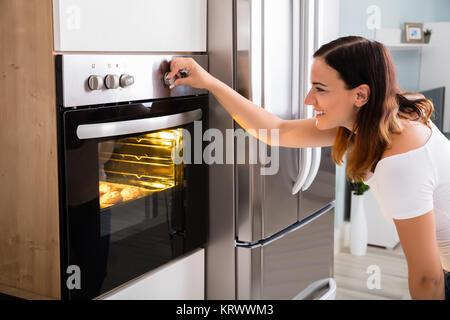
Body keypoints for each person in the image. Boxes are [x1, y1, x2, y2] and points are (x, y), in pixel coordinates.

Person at [165, 36, 450, 300]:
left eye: (320, 90)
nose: (308, 100)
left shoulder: (399, 159)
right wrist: (209, 82)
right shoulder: (373, 120)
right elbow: (275, 130)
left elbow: (428, 279)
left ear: (360, 95)